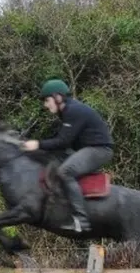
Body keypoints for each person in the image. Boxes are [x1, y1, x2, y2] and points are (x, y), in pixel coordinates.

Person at [22, 79, 113, 232]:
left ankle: (81, 220)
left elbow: (63, 141)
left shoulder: (73, 111)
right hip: (87, 149)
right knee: (52, 161)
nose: (45, 105)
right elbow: (59, 139)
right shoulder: (66, 112)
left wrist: (37, 144)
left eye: (47, 100)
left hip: (99, 150)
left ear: (58, 97)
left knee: (65, 172)